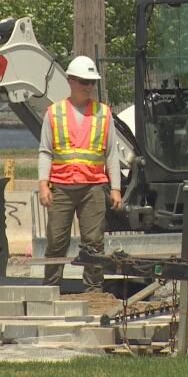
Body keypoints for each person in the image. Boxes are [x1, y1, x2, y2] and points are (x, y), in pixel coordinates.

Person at [38, 56, 122, 293]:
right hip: (62, 187)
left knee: (93, 243)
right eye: (84, 82)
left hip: (93, 187)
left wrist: (115, 188)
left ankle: (94, 289)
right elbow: (45, 151)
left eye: (92, 82)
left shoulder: (103, 114)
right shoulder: (54, 113)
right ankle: (50, 288)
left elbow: (111, 154)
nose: (89, 87)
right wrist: (44, 185)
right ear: (71, 81)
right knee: (56, 241)